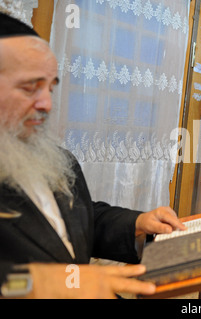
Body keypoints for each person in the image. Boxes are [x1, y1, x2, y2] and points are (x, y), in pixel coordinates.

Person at [0, 12, 186, 299]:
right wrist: (45, 283)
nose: (47, 104)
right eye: (29, 88)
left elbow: (77, 222)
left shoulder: (57, 160)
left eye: (50, 88)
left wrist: (136, 224)